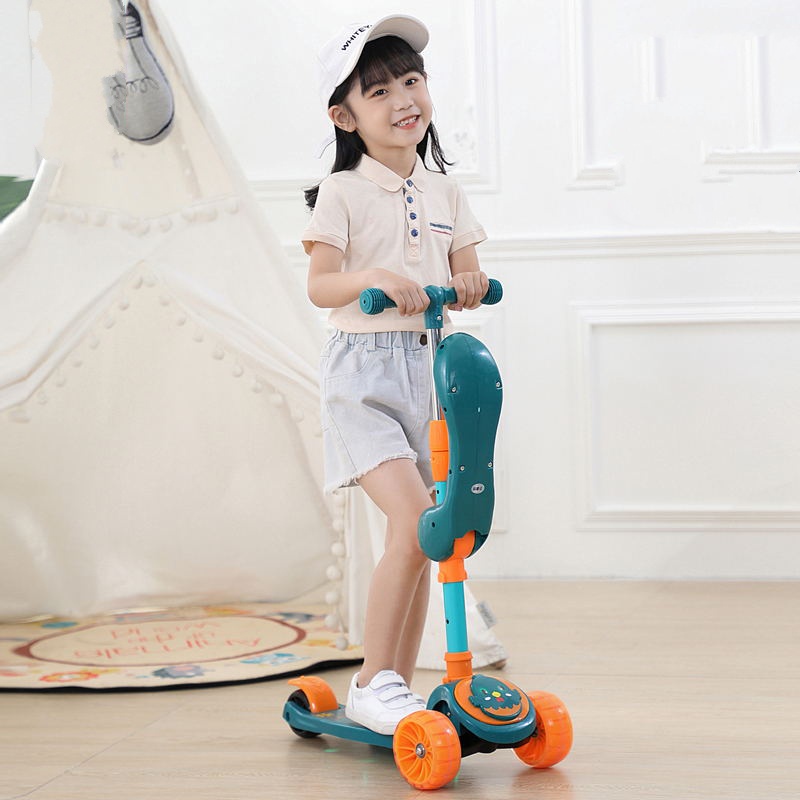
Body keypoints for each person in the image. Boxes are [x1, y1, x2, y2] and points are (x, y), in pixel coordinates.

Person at [302, 14, 489, 735]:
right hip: (363, 378)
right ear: (345, 116)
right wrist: (372, 278)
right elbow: (321, 285)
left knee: (425, 535)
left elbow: (467, 268)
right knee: (415, 524)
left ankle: (393, 689)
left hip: (430, 371)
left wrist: (469, 282)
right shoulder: (342, 191)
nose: (403, 99)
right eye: (378, 90)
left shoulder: (445, 191)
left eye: (411, 80)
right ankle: (372, 683)